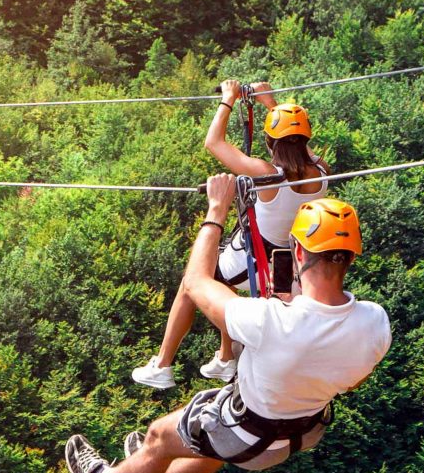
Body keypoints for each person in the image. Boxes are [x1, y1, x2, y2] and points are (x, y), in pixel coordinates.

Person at [66, 173, 391, 473]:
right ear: (352, 257)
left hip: (246, 433)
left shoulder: (270, 320)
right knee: (210, 445)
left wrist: (216, 210)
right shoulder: (375, 323)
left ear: (297, 249)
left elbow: (195, 282)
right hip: (300, 433)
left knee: (159, 437)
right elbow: (354, 380)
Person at [132, 79, 331, 388]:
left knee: (193, 281)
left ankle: (162, 365)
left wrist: (227, 99)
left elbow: (214, 143)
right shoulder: (322, 171)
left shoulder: (266, 174)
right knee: (225, 283)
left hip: (256, 257)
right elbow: (296, 143)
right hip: (288, 262)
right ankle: (226, 357)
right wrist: (270, 103)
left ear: (270, 142)